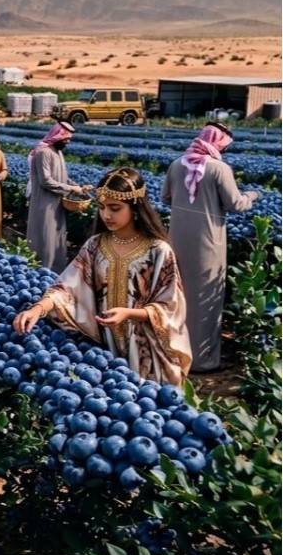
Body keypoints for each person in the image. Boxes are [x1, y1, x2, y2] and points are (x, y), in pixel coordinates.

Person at [15, 168, 192, 385]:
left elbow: (172, 306)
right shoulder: (95, 245)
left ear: (135, 208)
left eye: (115, 208)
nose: (106, 215)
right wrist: (38, 308)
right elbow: (68, 288)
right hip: (104, 345)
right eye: (101, 207)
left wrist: (130, 313)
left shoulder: (158, 251)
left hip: (147, 350)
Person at [161, 122, 259, 373]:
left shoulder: (176, 164)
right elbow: (235, 204)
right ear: (219, 143)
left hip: (178, 239)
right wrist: (252, 195)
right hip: (208, 242)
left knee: (178, 294)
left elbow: (165, 198)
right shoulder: (219, 168)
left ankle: (175, 352)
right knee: (206, 298)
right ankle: (203, 361)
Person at [26, 121, 93, 271]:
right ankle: (41, 269)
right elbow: (46, 181)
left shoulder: (58, 153)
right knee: (45, 236)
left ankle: (56, 269)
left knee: (57, 236)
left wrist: (79, 187)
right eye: (65, 139)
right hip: (45, 202)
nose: (68, 142)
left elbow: (63, 177)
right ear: (57, 136)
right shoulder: (44, 153)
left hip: (57, 202)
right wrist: (71, 189)